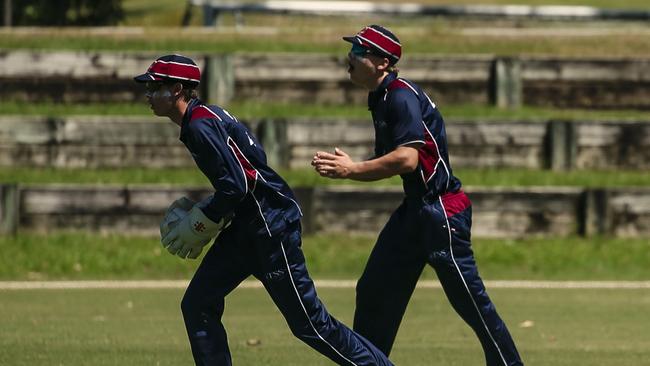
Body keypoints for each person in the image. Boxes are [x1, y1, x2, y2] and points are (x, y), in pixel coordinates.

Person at [134, 54, 394, 366]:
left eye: (154, 87)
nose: (148, 95)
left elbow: (237, 185)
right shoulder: (206, 116)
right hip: (246, 229)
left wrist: (206, 218)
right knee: (198, 304)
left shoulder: (201, 126)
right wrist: (218, 211)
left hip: (271, 230)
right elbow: (254, 155)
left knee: (310, 324)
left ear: (177, 88)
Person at [311, 25, 524, 366]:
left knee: (470, 302)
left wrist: (351, 169)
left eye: (359, 52)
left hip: (441, 211)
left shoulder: (400, 95)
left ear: (383, 62)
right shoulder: (379, 97)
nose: (349, 58)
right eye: (352, 51)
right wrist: (354, 168)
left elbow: (407, 159)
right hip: (415, 211)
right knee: (374, 291)